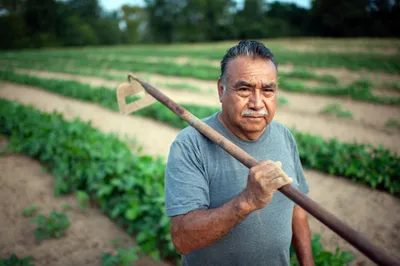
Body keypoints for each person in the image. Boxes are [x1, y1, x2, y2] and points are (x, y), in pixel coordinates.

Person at [164, 40, 314, 266]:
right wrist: (246, 201)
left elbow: (297, 208)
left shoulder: (283, 136)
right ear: (221, 90)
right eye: (244, 89)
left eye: (267, 90)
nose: (257, 103)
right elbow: (182, 239)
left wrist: (308, 263)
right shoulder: (190, 144)